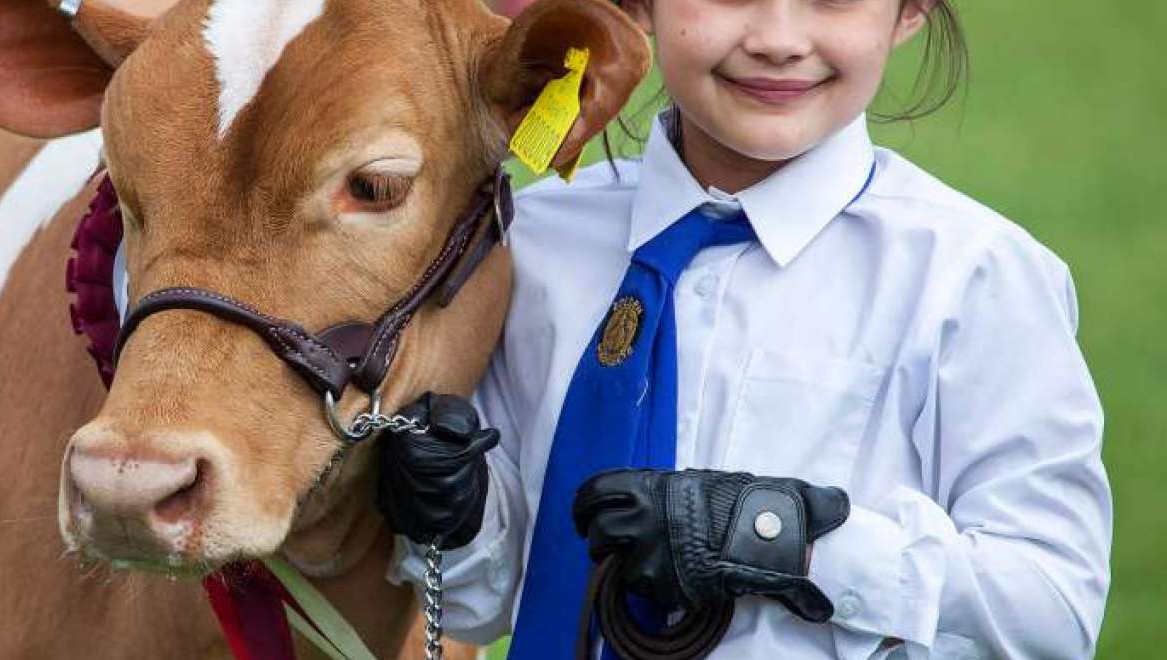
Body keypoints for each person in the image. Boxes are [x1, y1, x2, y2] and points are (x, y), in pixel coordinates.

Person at [375, 0, 1112, 657]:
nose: (778, 39)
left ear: (910, 10)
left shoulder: (974, 277)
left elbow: (1054, 606)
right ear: (640, 6)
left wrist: (787, 541)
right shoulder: (532, 240)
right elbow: (484, 601)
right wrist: (457, 513)